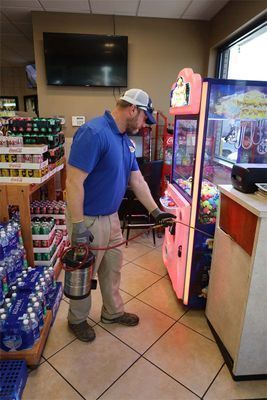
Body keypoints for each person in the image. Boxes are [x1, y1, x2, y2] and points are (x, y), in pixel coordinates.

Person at [66, 88, 176, 342]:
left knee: (112, 269)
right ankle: (77, 319)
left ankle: (112, 313)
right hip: (89, 219)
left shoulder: (126, 141)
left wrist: (156, 212)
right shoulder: (94, 133)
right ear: (132, 109)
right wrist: (78, 225)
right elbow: (73, 183)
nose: (145, 125)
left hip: (112, 217)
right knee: (84, 273)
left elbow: (137, 180)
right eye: (144, 119)